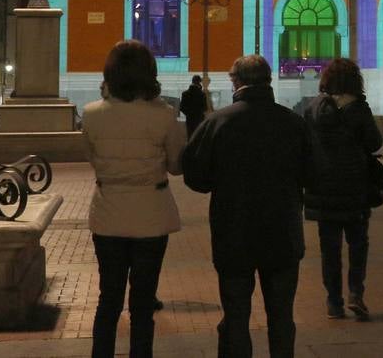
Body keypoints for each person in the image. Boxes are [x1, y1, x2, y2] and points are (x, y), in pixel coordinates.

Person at [183, 55, 311, 358]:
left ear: (236, 81)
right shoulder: (294, 123)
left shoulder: (217, 122)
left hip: (233, 232)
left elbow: (195, 176)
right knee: (282, 315)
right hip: (283, 233)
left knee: (236, 316)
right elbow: (313, 173)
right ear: (268, 80)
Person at [81, 40, 185, 358]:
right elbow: (176, 165)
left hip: (108, 213)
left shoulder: (92, 114)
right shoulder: (164, 115)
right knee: (143, 302)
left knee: (108, 299)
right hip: (151, 215)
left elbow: (92, 158)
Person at [303, 58, 383, 320]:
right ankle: (355, 293)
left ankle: (333, 301)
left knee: (330, 248)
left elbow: (305, 146)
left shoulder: (313, 109)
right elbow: (374, 143)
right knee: (358, 243)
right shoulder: (359, 109)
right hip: (355, 188)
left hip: (323, 189)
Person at [179, 74, 209, 140]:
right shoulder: (202, 94)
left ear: (192, 81)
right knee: (199, 138)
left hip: (189, 120)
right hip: (199, 119)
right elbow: (205, 108)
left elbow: (181, 107)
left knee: (190, 137)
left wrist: (188, 114)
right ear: (199, 82)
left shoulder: (185, 93)